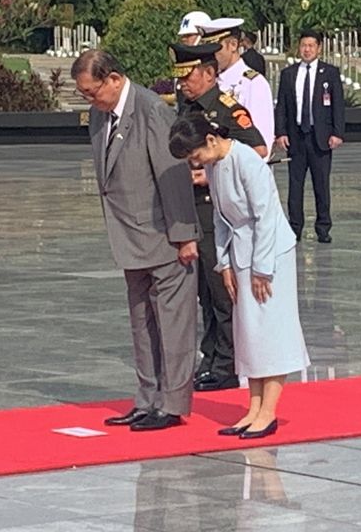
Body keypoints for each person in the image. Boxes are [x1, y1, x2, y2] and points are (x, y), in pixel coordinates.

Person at [72, 49, 200, 432]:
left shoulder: (151, 111)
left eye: (92, 92)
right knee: (142, 323)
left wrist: (184, 236)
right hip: (129, 236)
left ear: (113, 79)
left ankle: (173, 404)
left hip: (164, 235)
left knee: (174, 326)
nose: (89, 100)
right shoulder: (100, 113)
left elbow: (173, 175)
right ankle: (147, 399)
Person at [168, 113, 310, 440]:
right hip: (241, 251)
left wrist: (262, 268)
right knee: (249, 333)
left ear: (211, 140)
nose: (196, 164)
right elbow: (220, 218)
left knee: (269, 331)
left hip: (270, 252)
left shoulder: (247, 161)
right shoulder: (216, 167)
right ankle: (253, 408)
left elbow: (265, 216)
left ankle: (268, 412)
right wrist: (224, 264)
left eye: (195, 156)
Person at [171, 42, 268, 393]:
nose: (183, 83)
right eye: (179, 77)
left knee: (220, 290)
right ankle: (210, 356)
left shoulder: (226, 109)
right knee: (202, 293)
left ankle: (226, 363)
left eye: (190, 76)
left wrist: (211, 169)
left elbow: (257, 149)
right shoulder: (186, 107)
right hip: (189, 206)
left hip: (215, 206)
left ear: (210, 74)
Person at [274, 29, 346, 243]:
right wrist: (281, 132)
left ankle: (323, 227)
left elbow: (338, 106)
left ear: (319, 48)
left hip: (320, 137)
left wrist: (337, 133)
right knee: (295, 185)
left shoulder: (329, 73)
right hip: (296, 137)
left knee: (321, 184)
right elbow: (282, 107)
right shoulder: (289, 74)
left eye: (311, 46)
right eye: (303, 45)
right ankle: (294, 227)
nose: (306, 49)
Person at [200, 18, 276, 157]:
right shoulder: (209, 81)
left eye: (215, 49)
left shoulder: (253, 83)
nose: (209, 56)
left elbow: (262, 143)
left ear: (233, 45)